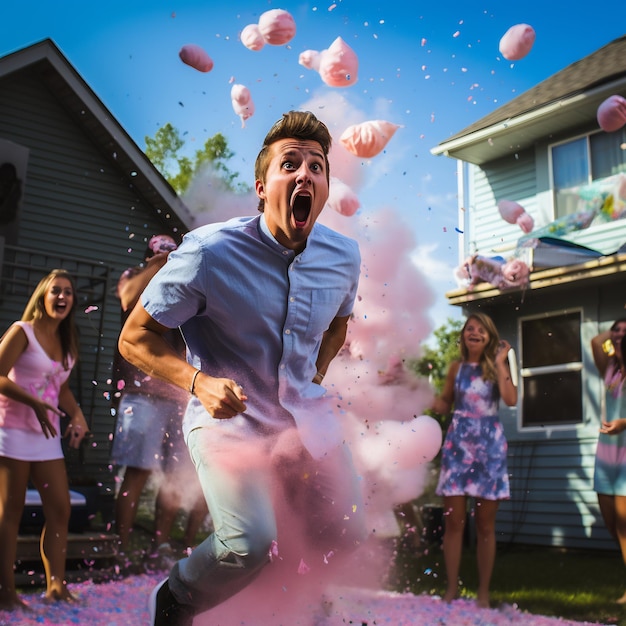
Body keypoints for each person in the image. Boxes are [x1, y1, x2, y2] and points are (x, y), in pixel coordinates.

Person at [118, 110, 367, 626]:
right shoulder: (209, 252)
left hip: (304, 420)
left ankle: (291, 601)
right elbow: (134, 337)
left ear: (324, 188)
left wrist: (313, 377)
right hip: (227, 421)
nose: (306, 174)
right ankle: (177, 598)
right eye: (290, 163)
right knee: (249, 541)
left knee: (348, 528)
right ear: (261, 186)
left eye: (317, 167)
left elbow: (339, 324)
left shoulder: (344, 256)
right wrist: (199, 382)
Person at [110, 234, 208, 566]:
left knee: (175, 476)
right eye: (160, 249)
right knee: (136, 472)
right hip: (141, 396)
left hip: (178, 397)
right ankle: (121, 548)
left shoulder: (186, 283)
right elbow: (126, 298)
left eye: (172, 248)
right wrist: (154, 267)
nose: (168, 253)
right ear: (149, 255)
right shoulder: (132, 277)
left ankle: (160, 547)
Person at [0, 269, 90, 610]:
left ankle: (55, 586)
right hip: (11, 431)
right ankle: (6, 593)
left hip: (46, 435)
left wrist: (77, 414)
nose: (62, 297)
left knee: (60, 509)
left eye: (68, 292)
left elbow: (61, 388)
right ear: (43, 296)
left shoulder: (69, 341)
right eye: (55, 291)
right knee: (10, 512)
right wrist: (33, 401)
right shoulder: (22, 332)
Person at [431, 312, 517, 608]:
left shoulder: (496, 367)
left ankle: (483, 592)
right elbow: (443, 403)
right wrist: (416, 393)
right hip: (457, 448)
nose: (475, 332)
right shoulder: (456, 368)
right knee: (453, 522)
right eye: (470, 328)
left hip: (488, 449)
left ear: (490, 336)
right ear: (464, 335)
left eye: (482, 329)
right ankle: (452, 588)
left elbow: (511, 399)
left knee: (484, 525)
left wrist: (502, 362)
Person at [590, 319, 626, 603]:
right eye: (617, 330)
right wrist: (615, 336)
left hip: (625, 449)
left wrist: (623, 423)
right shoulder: (611, 368)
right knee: (611, 521)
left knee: (624, 524)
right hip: (606, 451)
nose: (619, 336)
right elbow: (594, 342)